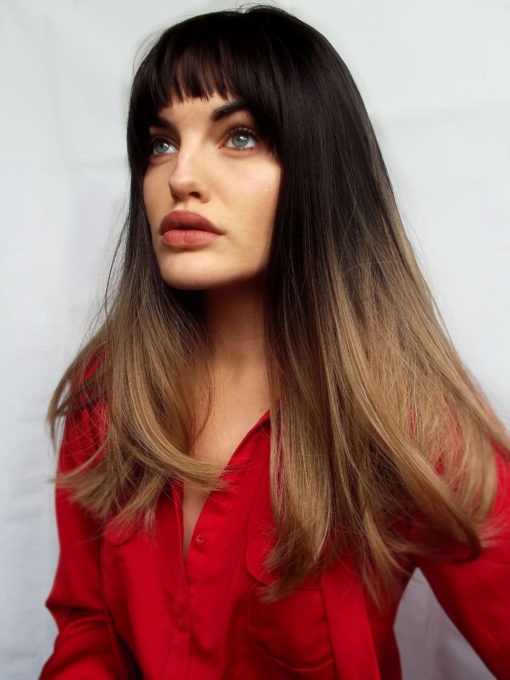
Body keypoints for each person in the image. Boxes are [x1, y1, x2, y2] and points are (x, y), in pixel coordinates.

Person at [40, 6, 510, 679]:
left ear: (318, 168)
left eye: (239, 137)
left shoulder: (406, 410)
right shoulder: (109, 391)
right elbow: (87, 626)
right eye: (161, 143)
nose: (179, 177)